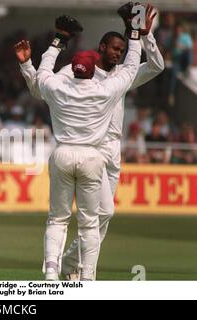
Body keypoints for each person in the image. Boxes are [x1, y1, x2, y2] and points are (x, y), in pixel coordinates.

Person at [15, 2, 164, 280]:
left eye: (122, 50)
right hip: (90, 149)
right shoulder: (80, 73)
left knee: (104, 213)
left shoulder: (119, 77)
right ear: (101, 48)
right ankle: (83, 273)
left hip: (109, 148)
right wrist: (134, 36)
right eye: (114, 49)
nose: (119, 55)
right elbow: (40, 90)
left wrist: (145, 36)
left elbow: (156, 65)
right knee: (93, 218)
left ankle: (69, 262)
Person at [35, 12, 142, 280]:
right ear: (94, 70)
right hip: (92, 156)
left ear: (72, 70)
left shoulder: (57, 88)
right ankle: (87, 278)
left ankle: (50, 274)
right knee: (89, 224)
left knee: (57, 219)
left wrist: (58, 40)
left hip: (62, 154)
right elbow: (130, 68)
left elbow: (43, 72)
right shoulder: (105, 91)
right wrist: (134, 33)